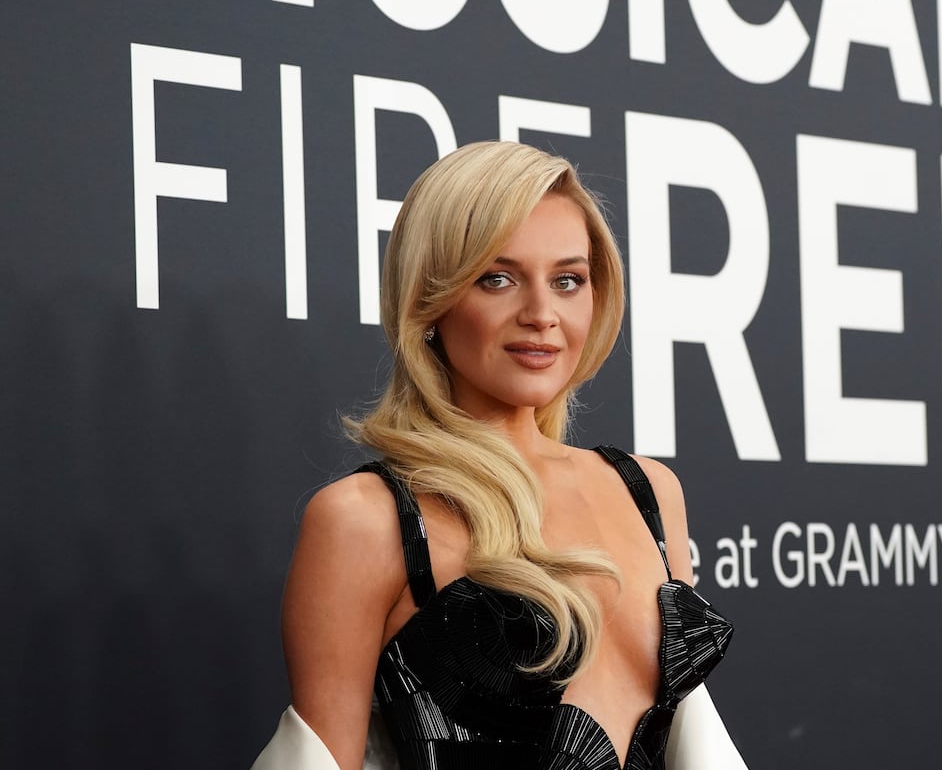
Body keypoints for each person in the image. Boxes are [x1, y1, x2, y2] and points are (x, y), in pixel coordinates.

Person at [252, 142, 741, 770]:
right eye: (498, 278)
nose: (542, 315)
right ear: (431, 300)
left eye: (568, 280)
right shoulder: (366, 519)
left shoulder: (647, 491)